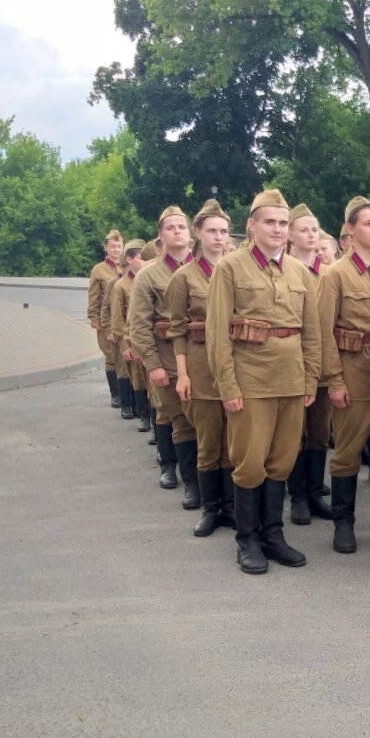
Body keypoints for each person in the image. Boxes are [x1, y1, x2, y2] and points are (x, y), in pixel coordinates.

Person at [206, 189, 322, 575]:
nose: (277, 229)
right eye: (269, 222)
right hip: (250, 381)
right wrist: (228, 386)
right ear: (251, 225)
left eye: (282, 223)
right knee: (250, 463)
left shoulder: (299, 272)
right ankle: (247, 539)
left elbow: (312, 332)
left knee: (281, 462)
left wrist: (310, 379)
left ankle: (273, 534)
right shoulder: (231, 268)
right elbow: (217, 333)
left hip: (291, 382)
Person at [318, 196, 370, 553]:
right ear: (350, 231)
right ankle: (344, 523)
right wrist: (335, 380)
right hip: (354, 372)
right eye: (369, 224)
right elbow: (324, 332)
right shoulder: (335, 274)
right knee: (348, 453)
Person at [166, 199, 236, 538]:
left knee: (233, 441)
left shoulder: (237, 269)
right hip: (200, 365)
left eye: (224, 231)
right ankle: (211, 509)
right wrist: (183, 374)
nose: (219, 238)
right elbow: (176, 329)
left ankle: (233, 508)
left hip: (235, 367)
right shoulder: (184, 277)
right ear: (198, 233)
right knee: (209, 442)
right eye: (212, 231)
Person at [128, 207, 198, 504]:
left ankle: (210, 482)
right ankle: (184, 477)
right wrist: (153, 365)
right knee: (177, 418)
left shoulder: (209, 268)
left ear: (191, 233)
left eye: (182, 226)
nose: (177, 231)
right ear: (161, 236)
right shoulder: (148, 275)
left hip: (202, 356)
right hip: (168, 357)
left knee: (207, 422)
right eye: (170, 227)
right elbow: (139, 324)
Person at [285, 203, 335, 524]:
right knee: (294, 434)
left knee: (318, 432)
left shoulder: (328, 273)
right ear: (290, 234)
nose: (311, 235)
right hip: (291, 364)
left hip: (322, 365)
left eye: (315, 229)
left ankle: (315, 493)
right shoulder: (284, 269)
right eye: (304, 229)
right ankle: (298, 497)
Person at [111, 239, 148, 427]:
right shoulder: (121, 286)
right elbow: (117, 318)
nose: (144, 261)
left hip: (147, 337)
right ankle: (144, 417)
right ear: (130, 259)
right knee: (138, 379)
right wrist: (124, 345)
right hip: (131, 338)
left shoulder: (148, 279)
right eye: (140, 257)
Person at [88, 229, 124, 407]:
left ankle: (127, 393)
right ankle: (115, 394)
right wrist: (94, 318)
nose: (116, 250)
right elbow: (94, 295)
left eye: (119, 246)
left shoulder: (125, 266)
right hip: (106, 318)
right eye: (113, 246)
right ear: (106, 248)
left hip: (123, 319)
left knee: (124, 357)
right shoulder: (99, 270)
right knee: (111, 357)